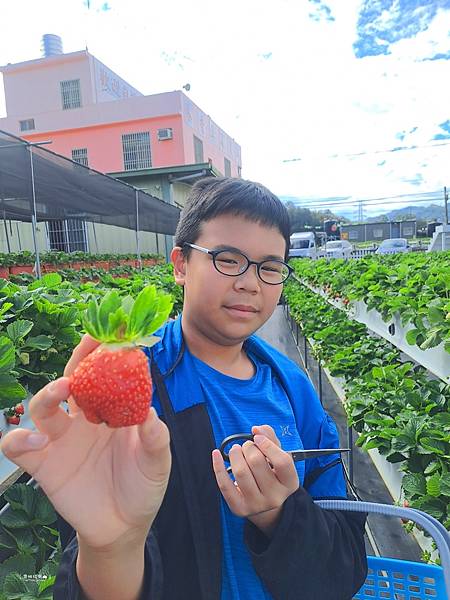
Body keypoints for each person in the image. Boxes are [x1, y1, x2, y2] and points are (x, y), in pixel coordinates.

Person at [1, 177, 367, 600]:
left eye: (270, 267)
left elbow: (343, 567)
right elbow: (95, 562)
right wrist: (111, 549)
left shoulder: (296, 391)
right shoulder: (135, 384)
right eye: (228, 259)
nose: (251, 283)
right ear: (180, 264)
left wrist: (281, 517)